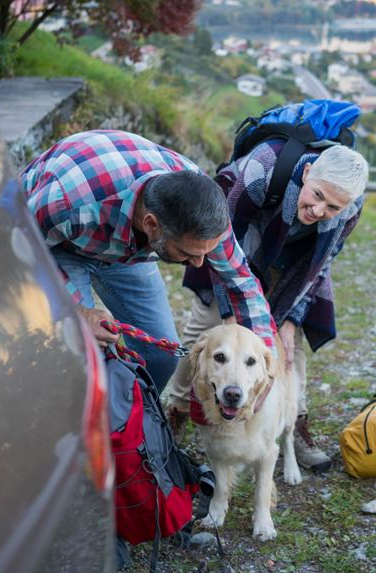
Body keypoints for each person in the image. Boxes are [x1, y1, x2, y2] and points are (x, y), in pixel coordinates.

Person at [20, 129, 277, 395]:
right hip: (53, 243)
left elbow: (242, 283)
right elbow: (15, 250)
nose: (199, 264)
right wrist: (75, 313)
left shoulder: (202, 208)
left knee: (162, 356)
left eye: (204, 252)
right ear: (151, 224)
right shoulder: (65, 201)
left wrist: (266, 364)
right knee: (80, 352)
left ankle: (134, 425)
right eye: (187, 253)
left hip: (126, 246)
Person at [168, 141, 369, 473]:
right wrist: (230, 315)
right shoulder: (260, 170)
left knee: (289, 344)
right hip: (235, 247)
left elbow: (322, 263)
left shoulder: (350, 207)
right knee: (207, 329)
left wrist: (291, 319)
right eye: (317, 196)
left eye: (333, 208)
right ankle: (177, 409)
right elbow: (220, 242)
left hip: (294, 264)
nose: (320, 212)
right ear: (307, 173)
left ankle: (292, 419)